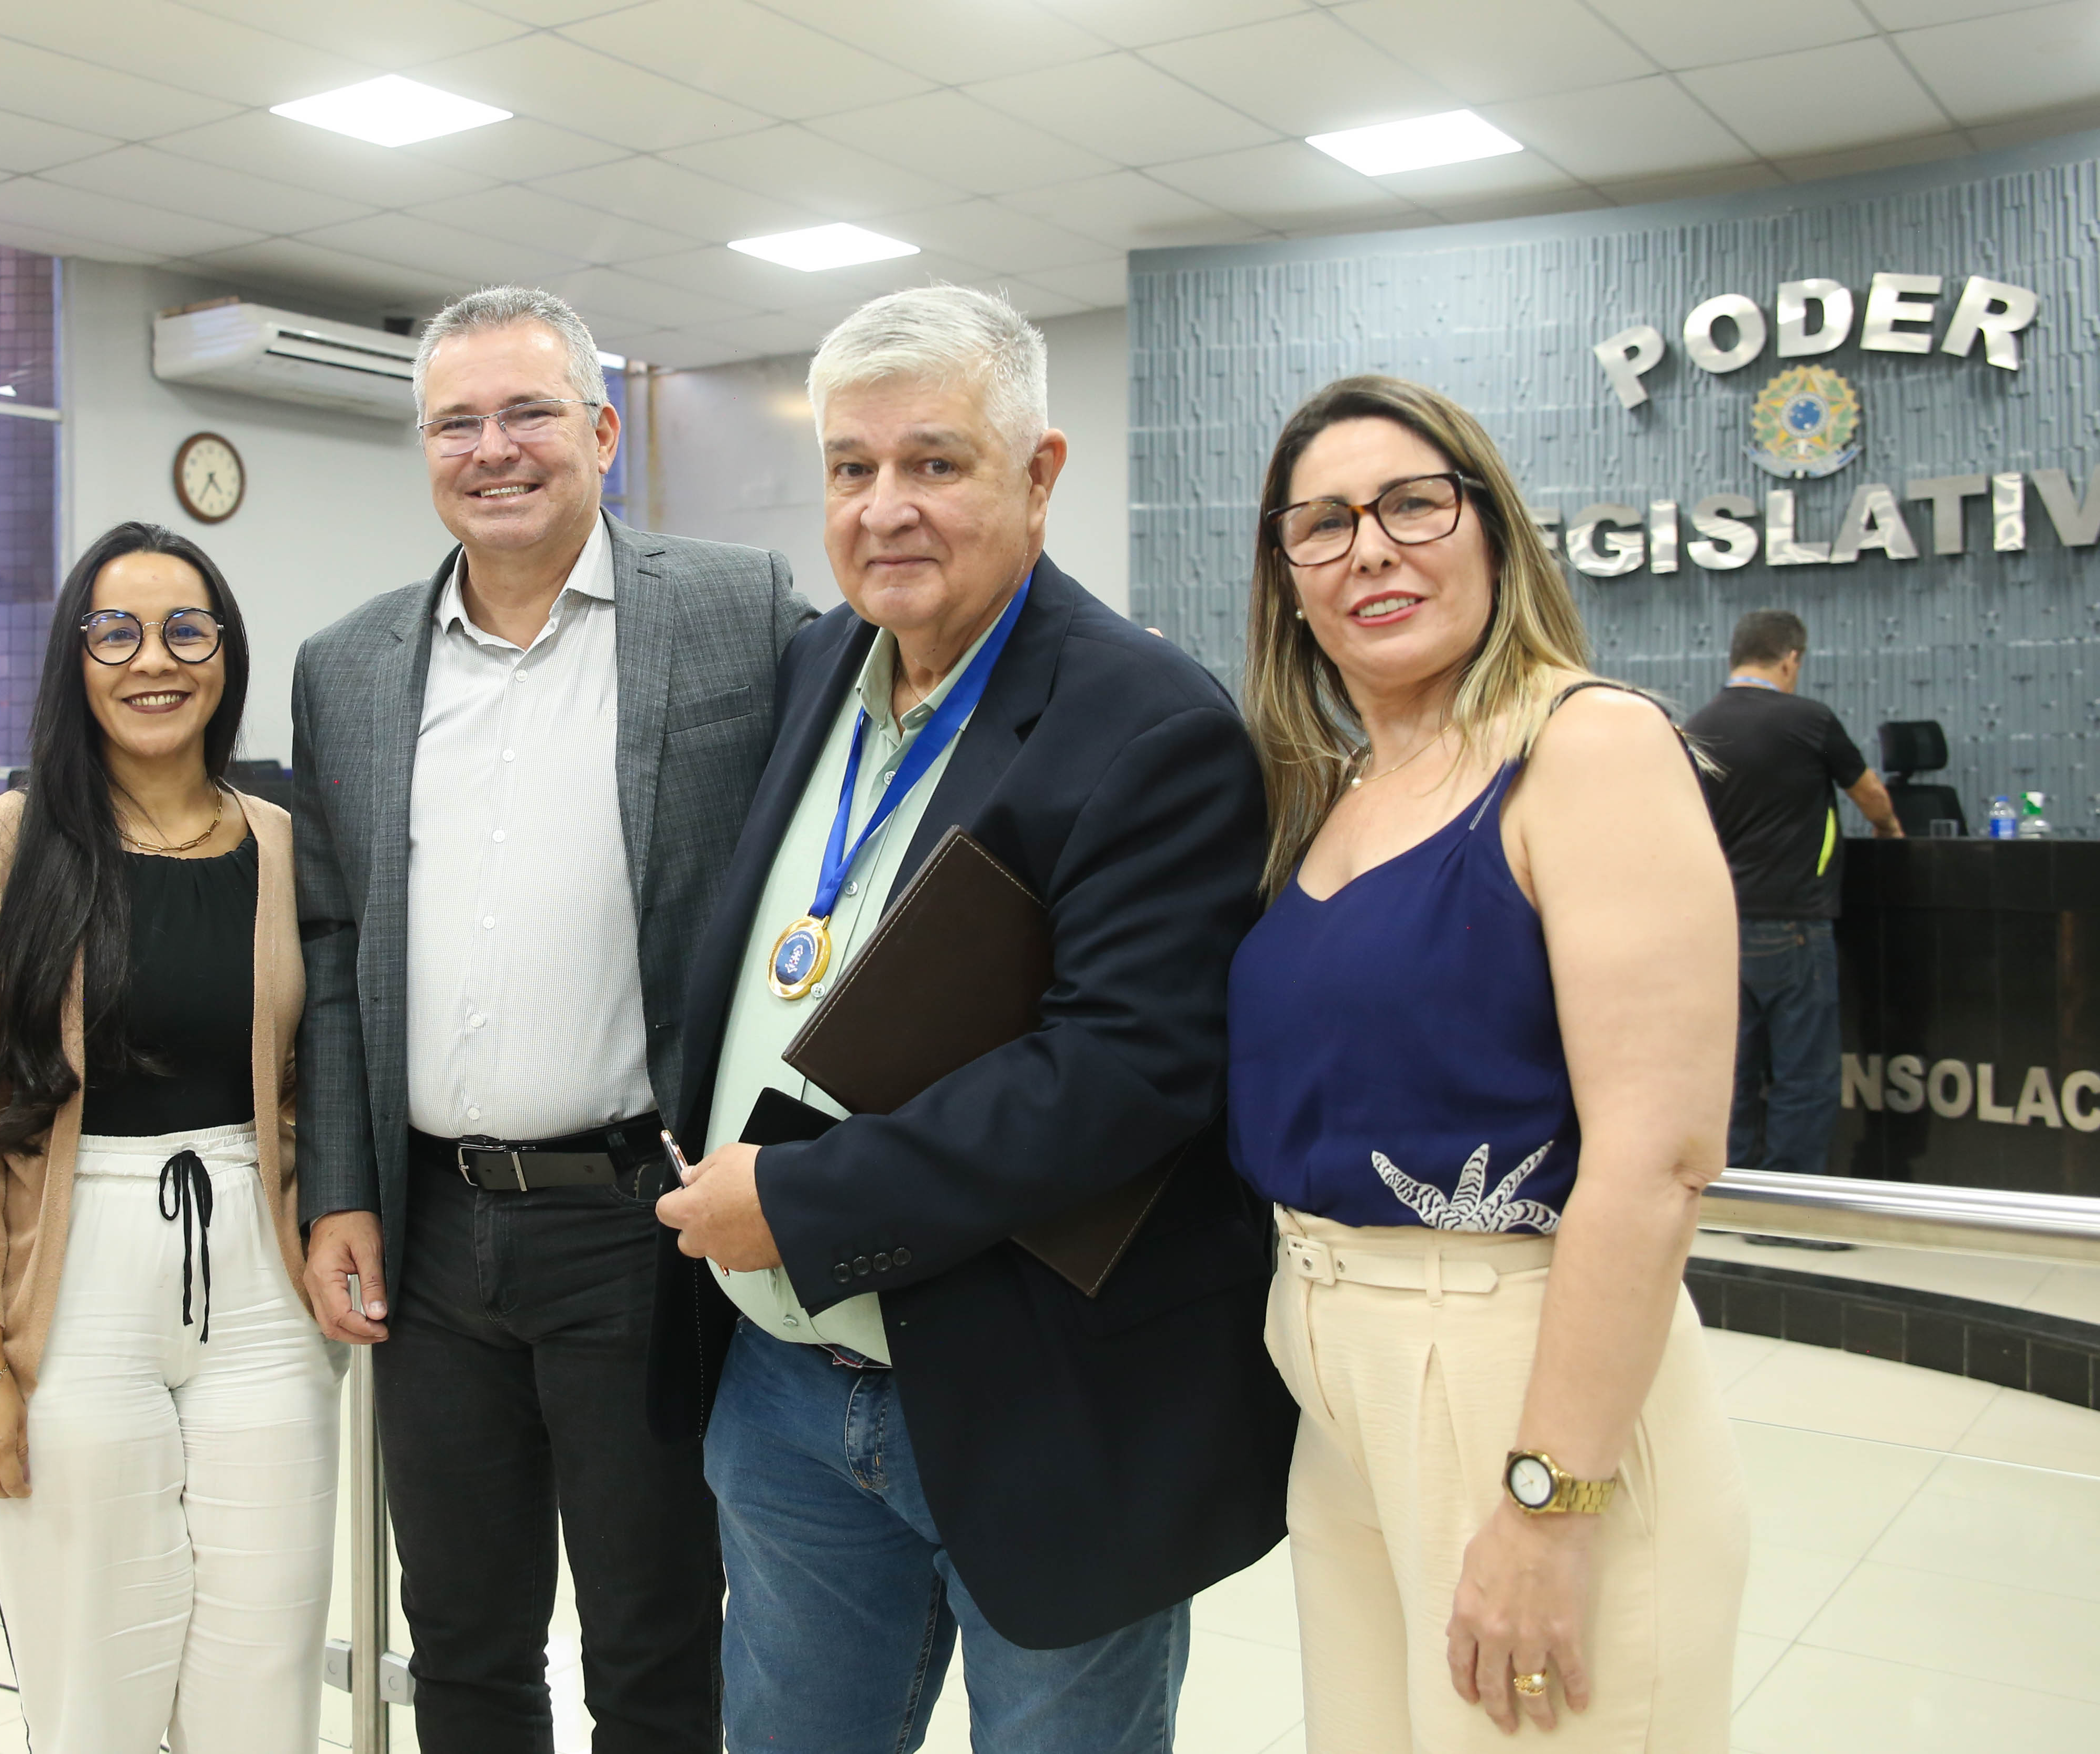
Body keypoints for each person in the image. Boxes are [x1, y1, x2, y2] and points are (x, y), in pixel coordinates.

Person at [654, 285, 1294, 1753]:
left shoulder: (1153, 723)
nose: (885, 507)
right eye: (851, 466)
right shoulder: (818, 664)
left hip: (1039, 1398)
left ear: (1040, 473)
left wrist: (804, 1200)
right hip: (784, 1389)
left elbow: (1124, 1071)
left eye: (934, 462)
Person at [290, 285, 811, 1753]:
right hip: (431, 1231)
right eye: (456, 422)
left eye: (528, 412)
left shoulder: (736, 609)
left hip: (639, 1221)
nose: (493, 448)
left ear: (602, 432)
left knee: (655, 1639)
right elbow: (332, 946)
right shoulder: (347, 665)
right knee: (462, 1638)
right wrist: (339, 1185)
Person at [1226, 375, 1750, 1749]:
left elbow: (1658, 1155)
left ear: (1493, 529)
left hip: (1517, 1370)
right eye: (1323, 524)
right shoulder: (1332, 790)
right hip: (1335, 1375)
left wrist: (1547, 1502)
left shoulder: (1587, 745)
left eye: (1412, 504)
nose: (1371, 549)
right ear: (1286, 580)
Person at [0, 521, 334, 1752]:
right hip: (73, 1285)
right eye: (117, 633)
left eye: (187, 630)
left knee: (265, 1681)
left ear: (226, 654)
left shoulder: (284, 845)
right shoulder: (3, 848)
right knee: (99, 1691)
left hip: (260, 1286)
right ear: (75, 658)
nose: (155, 659)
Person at [1685, 609, 1903, 1186]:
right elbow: (1871, 795)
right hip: (1794, 924)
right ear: (1790, 659)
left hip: (1721, 931)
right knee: (1802, 1075)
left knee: (1733, 1072)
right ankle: (1790, 1204)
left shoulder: (1699, 725)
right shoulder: (1808, 720)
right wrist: (1888, 830)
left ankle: (1729, 1193)